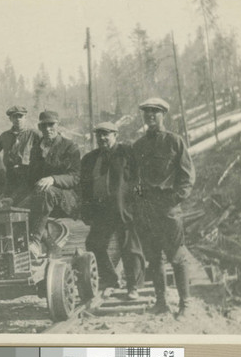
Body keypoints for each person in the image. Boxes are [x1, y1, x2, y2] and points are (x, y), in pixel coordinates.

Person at [133, 97, 195, 319]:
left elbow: (187, 178)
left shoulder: (175, 142)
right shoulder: (139, 146)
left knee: (177, 257)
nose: (150, 115)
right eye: (146, 112)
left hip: (168, 210)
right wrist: (139, 201)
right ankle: (161, 303)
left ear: (163, 115)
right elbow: (134, 179)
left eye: (155, 112)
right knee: (154, 258)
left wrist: (174, 199)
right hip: (147, 211)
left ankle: (185, 305)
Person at [80, 122, 145, 300]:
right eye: (99, 135)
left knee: (129, 248)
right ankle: (110, 278)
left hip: (124, 209)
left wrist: (138, 204)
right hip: (101, 210)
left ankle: (133, 286)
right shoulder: (90, 159)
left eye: (106, 134)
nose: (102, 138)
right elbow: (84, 187)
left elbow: (139, 181)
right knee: (94, 243)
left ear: (116, 135)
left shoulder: (127, 153)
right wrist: (86, 209)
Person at [25, 110, 80, 257]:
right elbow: (31, 179)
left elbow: (74, 177)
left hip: (65, 197)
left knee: (46, 192)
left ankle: (35, 241)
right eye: (44, 126)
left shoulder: (69, 146)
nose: (48, 129)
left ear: (58, 125)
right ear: (39, 127)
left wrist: (53, 179)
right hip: (40, 195)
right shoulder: (36, 149)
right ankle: (52, 246)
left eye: (51, 125)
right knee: (17, 209)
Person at [0, 105, 41, 205]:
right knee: (5, 201)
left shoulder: (34, 134)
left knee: (22, 202)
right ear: (10, 119)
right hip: (9, 175)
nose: (18, 119)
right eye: (14, 117)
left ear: (25, 117)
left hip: (27, 175)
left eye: (20, 116)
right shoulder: (4, 136)